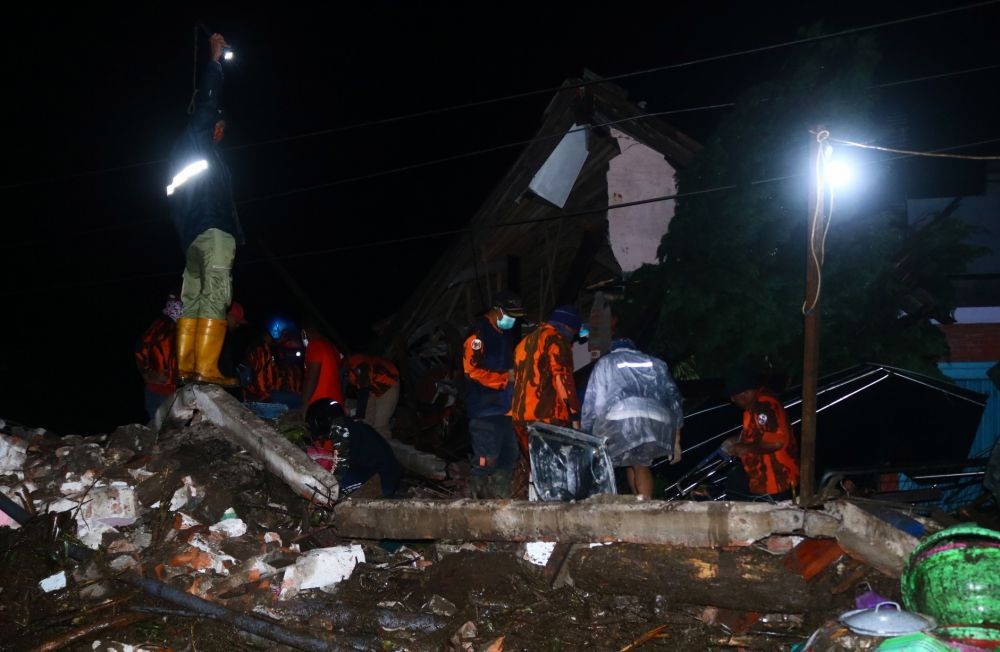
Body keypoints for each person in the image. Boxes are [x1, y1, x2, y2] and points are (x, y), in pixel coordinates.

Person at [167, 32, 244, 387]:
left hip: (191, 240)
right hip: (212, 232)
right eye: (220, 127)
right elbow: (209, 102)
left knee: (193, 299)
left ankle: (187, 367)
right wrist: (215, 61)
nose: (220, 133)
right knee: (215, 294)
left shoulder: (179, 156)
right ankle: (208, 368)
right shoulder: (199, 139)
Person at [581, 337, 684, 499]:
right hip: (657, 419)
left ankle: (643, 505)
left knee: (631, 462)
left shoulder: (606, 363)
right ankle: (640, 503)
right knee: (636, 462)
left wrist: (587, 433)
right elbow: (674, 400)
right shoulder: (655, 363)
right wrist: (676, 439)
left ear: (613, 350)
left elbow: (594, 402)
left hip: (620, 419)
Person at [510, 304, 583, 497]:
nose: (573, 340)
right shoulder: (556, 340)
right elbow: (563, 379)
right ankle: (552, 514)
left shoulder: (524, 342)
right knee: (554, 471)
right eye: (573, 334)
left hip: (520, 417)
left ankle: (531, 509)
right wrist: (574, 415)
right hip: (547, 417)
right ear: (568, 328)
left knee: (534, 468)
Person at [461, 291, 525, 498]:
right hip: (484, 409)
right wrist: (506, 377)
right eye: (510, 315)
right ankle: (476, 485)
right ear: (497, 310)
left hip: (505, 408)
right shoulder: (478, 336)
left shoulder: (504, 334)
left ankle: (499, 494)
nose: (512, 320)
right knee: (485, 457)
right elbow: (471, 371)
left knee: (509, 454)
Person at [721, 365, 800, 502]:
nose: (732, 401)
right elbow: (757, 434)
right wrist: (736, 440)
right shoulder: (755, 406)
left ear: (746, 393)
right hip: (767, 483)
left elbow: (775, 442)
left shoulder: (764, 407)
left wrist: (745, 448)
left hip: (777, 482)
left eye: (734, 396)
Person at [305, 398, 402, 496]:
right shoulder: (350, 426)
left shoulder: (341, 432)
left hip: (382, 481)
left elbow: (340, 469)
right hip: (382, 474)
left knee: (332, 491)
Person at [135, 295, 182, 421]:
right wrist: (147, 374)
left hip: (167, 390)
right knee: (164, 432)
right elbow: (140, 348)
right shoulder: (166, 325)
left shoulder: (172, 325)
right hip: (161, 391)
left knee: (165, 433)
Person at [346, 353, 400, 439]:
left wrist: (359, 415)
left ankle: (382, 448)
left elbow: (363, 391)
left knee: (380, 424)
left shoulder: (359, 365)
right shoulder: (345, 368)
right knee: (366, 422)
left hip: (388, 384)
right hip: (372, 387)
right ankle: (367, 446)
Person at [301, 321, 345, 408]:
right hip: (336, 402)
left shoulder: (314, 345)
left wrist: (304, 403)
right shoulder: (332, 346)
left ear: (305, 332)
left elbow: (312, 378)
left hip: (319, 403)